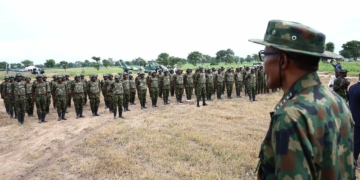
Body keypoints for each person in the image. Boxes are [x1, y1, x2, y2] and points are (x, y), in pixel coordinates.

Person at [249, 20, 354, 179]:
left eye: (265, 56)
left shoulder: (291, 116)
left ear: (282, 60)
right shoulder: (338, 102)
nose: (263, 65)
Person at [349, 73, 360, 166]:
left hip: (353, 117)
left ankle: (354, 159)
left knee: (356, 140)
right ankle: (354, 160)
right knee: (357, 142)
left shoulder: (352, 87)